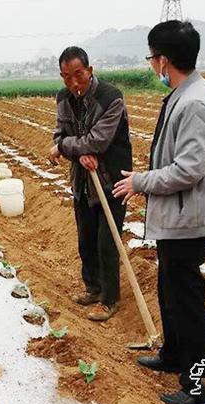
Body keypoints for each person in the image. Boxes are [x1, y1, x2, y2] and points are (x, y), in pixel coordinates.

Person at [112, 21, 205, 404]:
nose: (151, 66)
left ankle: (202, 387)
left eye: (151, 58)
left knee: (187, 300)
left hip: (188, 219)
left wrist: (141, 181)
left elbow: (190, 168)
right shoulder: (185, 92)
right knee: (170, 290)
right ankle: (175, 354)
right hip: (177, 217)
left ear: (163, 60)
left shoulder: (193, 102)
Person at [49, 46, 132, 322]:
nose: (73, 83)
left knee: (107, 243)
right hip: (82, 182)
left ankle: (110, 300)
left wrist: (64, 147)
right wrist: (74, 149)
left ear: (90, 71)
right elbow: (60, 131)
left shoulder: (111, 98)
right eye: (66, 77)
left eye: (78, 75)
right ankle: (93, 289)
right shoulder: (64, 98)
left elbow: (98, 140)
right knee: (86, 240)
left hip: (111, 180)